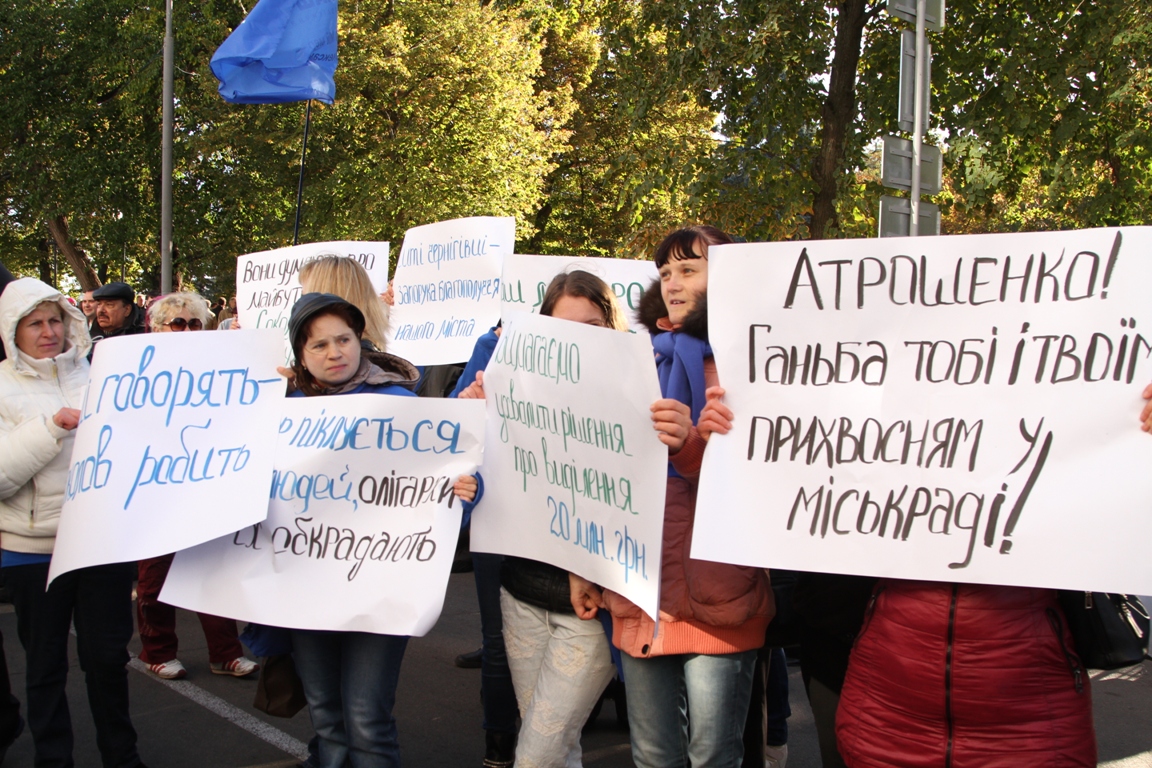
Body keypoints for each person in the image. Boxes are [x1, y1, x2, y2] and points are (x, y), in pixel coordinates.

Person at [569, 226, 775, 768]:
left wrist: (690, 447)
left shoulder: (758, 363)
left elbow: (763, 489)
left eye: (688, 269)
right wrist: (584, 565)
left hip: (719, 598)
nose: (673, 284)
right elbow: (596, 477)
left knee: (713, 755)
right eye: (665, 273)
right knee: (654, 755)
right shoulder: (634, 365)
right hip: (642, 592)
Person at [285, 292, 478, 768]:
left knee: (366, 717)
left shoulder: (402, 408)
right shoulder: (283, 411)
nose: (335, 352)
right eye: (319, 345)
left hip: (378, 592)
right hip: (304, 591)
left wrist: (464, 493)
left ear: (360, 340)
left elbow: (438, 500)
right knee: (326, 717)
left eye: (344, 339)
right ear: (301, 357)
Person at [457, 271, 627, 768]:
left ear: (612, 326)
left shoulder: (635, 394)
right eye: (564, 327)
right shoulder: (510, 388)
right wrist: (470, 419)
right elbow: (472, 481)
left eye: (592, 326)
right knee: (558, 746)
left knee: (536, 754)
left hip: (591, 612)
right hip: (521, 597)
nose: (579, 340)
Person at [0, 277, 147, 768]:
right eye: (34, 324)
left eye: (55, 320)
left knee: (108, 660)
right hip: (32, 551)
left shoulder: (102, 375)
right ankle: (53, 759)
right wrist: (51, 428)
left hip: (100, 546)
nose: (48, 332)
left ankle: (122, 758)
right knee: (44, 665)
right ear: (12, 330)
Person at [133, 293, 260, 681]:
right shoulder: (138, 370)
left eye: (194, 323)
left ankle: (225, 653)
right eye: (178, 323)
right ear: (157, 328)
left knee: (212, 571)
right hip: (156, 488)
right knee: (155, 577)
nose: (187, 329)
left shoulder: (219, 368)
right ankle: (157, 651)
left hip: (204, 485)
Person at [89, 281, 146, 346]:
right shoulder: (89, 339)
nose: (101, 310)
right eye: (99, 305)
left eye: (109, 305)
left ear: (127, 310)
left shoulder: (143, 338)